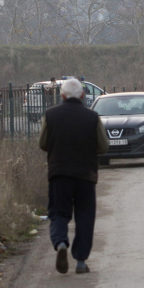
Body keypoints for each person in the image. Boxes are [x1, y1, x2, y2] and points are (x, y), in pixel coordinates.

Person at [39, 78, 110, 274]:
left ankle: (61, 243)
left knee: (59, 213)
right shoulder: (92, 117)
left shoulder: (50, 115)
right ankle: (80, 261)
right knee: (85, 216)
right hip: (86, 175)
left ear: (61, 95)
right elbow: (103, 147)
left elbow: (43, 143)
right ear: (82, 95)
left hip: (59, 174)